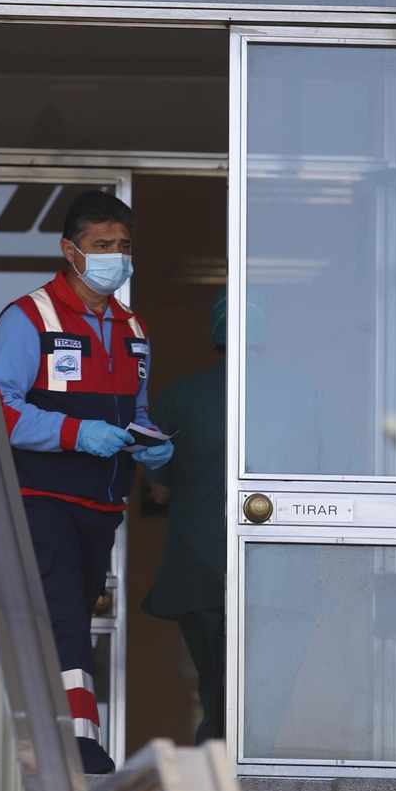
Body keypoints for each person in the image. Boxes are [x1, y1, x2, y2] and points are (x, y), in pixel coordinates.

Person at [0, 190, 173, 774]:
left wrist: (150, 441)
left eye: (124, 246)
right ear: (71, 251)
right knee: (65, 615)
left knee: (69, 619)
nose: (115, 256)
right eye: (102, 245)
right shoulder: (30, 316)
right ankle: (79, 746)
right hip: (42, 496)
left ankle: (43, 737)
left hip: (102, 503)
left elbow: (135, 410)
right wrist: (76, 433)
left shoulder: (133, 326)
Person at [140, 292, 233, 745]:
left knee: (216, 687)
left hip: (199, 566)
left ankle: (215, 768)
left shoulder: (179, 395)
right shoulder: (305, 392)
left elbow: (159, 491)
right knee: (262, 693)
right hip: (281, 569)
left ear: (213, 336)